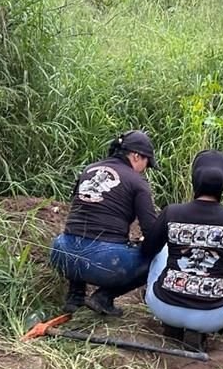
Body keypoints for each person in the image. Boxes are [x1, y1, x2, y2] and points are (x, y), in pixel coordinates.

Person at [141, 150, 223, 352]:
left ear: (195, 180)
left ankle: (174, 325)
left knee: (162, 251)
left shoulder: (172, 212)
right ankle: (198, 331)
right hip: (213, 316)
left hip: (165, 307)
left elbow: (146, 251)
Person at [50, 130, 158, 317]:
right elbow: (152, 231)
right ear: (136, 155)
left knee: (80, 236)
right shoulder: (137, 182)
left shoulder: (88, 170)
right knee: (154, 257)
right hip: (103, 261)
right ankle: (103, 297)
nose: (145, 169)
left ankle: (75, 296)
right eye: (146, 163)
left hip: (62, 253)